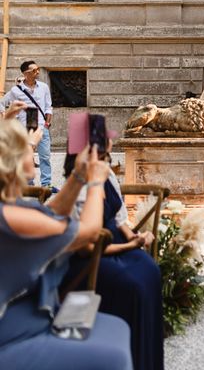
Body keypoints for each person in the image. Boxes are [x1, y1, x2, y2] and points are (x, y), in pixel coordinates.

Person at [0, 119, 133, 369]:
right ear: (13, 161)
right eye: (29, 147)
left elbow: (51, 214)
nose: (35, 150)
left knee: (117, 327)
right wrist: (95, 183)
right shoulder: (12, 217)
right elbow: (88, 232)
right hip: (11, 332)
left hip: (29, 313)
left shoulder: (11, 208)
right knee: (114, 355)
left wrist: (78, 176)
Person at [63, 143, 164, 370]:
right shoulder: (78, 185)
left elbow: (120, 219)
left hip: (117, 241)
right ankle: (129, 357)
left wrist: (135, 239)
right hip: (91, 257)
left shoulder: (106, 173)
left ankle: (148, 360)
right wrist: (129, 247)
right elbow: (86, 248)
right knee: (132, 285)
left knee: (150, 269)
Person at [1, 60, 55, 190]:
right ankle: (28, 185)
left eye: (38, 69)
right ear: (25, 73)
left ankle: (46, 184)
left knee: (45, 156)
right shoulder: (16, 90)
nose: (38, 72)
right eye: (34, 70)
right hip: (24, 126)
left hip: (42, 126)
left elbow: (49, 106)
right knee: (26, 156)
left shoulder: (43, 87)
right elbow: (2, 103)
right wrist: (7, 116)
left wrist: (47, 123)